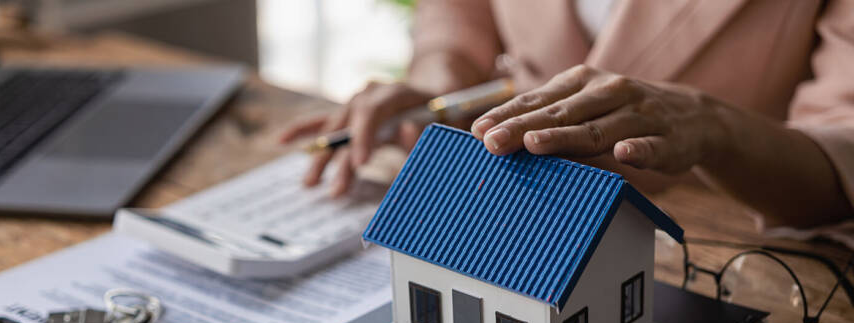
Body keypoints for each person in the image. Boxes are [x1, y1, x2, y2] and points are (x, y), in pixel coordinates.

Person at [280, 0, 854, 233]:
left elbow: (842, 154)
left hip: (719, 231)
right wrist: (442, 70)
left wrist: (716, 130)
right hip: (511, 194)